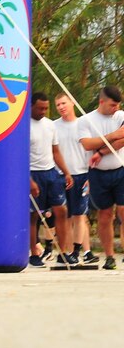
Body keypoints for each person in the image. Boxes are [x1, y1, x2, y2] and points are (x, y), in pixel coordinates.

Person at [77, 85, 124, 270]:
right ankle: (110, 257)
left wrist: (102, 151)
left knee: (123, 210)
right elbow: (88, 144)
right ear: (102, 102)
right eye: (112, 105)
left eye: (118, 105)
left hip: (120, 169)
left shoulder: (120, 116)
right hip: (98, 174)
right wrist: (113, 135)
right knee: (105, 215)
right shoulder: (86, 120)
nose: (116, 109)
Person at [28, 92, 73, 267]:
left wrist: (66, 172)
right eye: (40, 108)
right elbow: (20, 156)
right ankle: (34, 254)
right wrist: (29, 180)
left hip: (51, 173)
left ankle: (62, 253)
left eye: (46, 108)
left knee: (61, 211)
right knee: (33, 216)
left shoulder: (49, 125)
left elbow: (55, 151)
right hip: (33, 173)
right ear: (31, 106)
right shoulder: (25, 126)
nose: (43, 111)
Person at [54, 93, 98, 265]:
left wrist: (91, 175)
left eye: (64, 103)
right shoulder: (54, 126)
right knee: (65, 216)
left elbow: (93, 150)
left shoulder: (84, 124)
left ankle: (78, 251)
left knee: (80, 215)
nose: (61, 107)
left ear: (72, 102)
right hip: (61, 176)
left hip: (82, 174)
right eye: (58, 105)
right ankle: (66, 251)